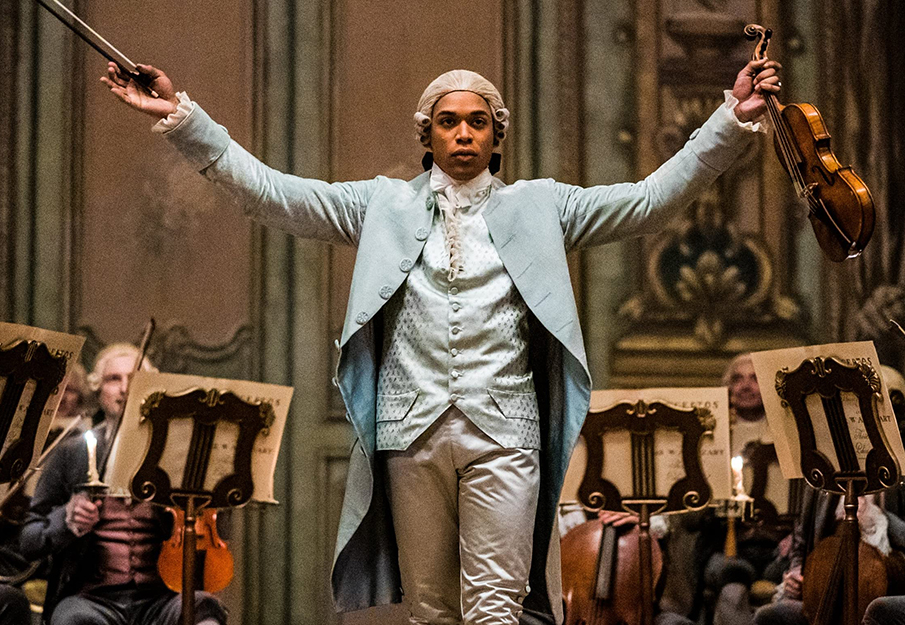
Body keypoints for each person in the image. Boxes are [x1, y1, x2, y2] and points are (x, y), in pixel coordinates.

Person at [100, 56, 780, 624]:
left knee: (493, 607)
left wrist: (728, 120)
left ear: (496, 134)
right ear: (428, 133)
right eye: (448, 122)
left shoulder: (540, 205)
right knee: (431, 609)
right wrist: (181, 118)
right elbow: (275, 194)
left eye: (476, 122)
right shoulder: (380, 205)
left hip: (505, 430)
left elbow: (646, 200)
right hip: (410, 428)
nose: (462, 134)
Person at [19, 344, 228, 625]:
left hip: (162, 596)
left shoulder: (174, 453)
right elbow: (29, 540)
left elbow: (211, 524)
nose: (124, 388)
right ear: (97, 389)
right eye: (113, 379)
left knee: (205, 612)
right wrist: (66, 520)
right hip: (91, 598)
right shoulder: (71, 453)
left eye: (135, 378)